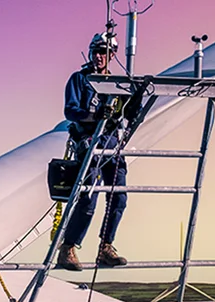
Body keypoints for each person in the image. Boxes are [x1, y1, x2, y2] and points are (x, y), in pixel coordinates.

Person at [58, 32, 141, 270]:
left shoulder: (118, 84)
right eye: (95, 51)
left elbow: (128, 111)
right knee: (89, 196)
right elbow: (71, 110)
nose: (98, 57)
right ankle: (68, 247)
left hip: (111, 142)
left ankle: (106, 247)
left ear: (112, 55)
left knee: (118, 195)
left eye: (104, 52)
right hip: (88, 140)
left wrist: (136, 97)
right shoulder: (80, 79)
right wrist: (93, 116)